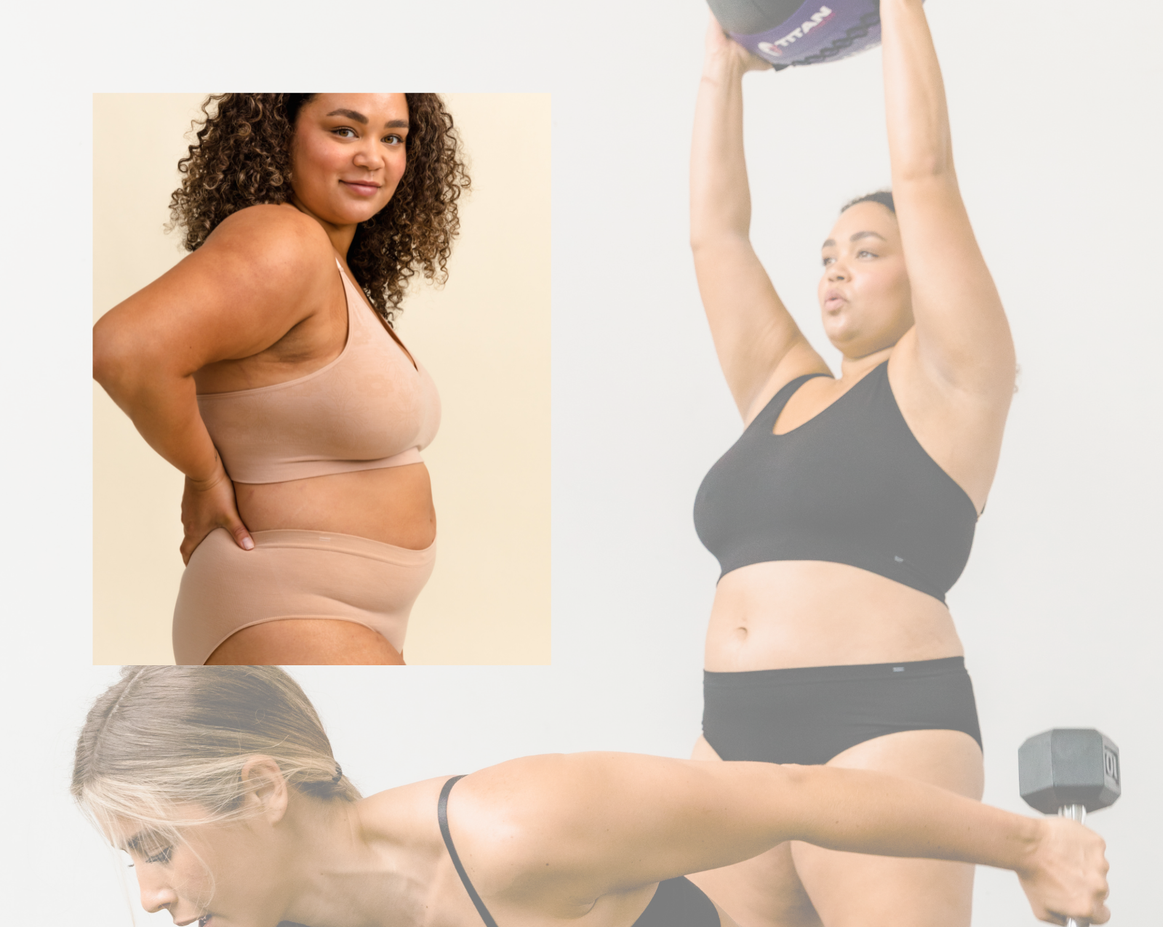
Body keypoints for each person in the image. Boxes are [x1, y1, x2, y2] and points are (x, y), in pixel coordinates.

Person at [687, 2, 1018, 922]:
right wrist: (723, 69)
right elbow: (716, 237)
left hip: (884, 728)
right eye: (827, 255)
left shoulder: (955, 378)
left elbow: (926, 171)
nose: (835, 270)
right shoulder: (780, 388)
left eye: (867, 251)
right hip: (731, 741)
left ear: (928, 273)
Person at [73, 666, 1109, 927]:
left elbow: (797, 794)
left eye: (157, 845)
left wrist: (1028, 848)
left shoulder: (518, 833)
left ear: (261, 789)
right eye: (132, 859)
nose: (151, 896)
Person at [92, 94, 469, 666]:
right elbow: (124, 350)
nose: (373, 157)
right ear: (279, 135)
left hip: (328, 612)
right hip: (289, 606)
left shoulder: (332, 264)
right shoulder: (285, 240)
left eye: (393, 137)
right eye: (345, 131)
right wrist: (204, 475)